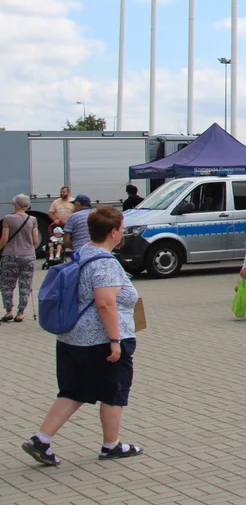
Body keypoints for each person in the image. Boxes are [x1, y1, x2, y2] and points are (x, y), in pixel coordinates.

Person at [21, 205, 142, 467]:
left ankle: (41, 439)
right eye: (122, 229)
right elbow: (105, 303)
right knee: (114, 391)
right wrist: (115, 341)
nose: (123, 233)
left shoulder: (82, 253)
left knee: (72, 391)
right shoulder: (106, 263)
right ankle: (111, 446)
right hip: (100, 341)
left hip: (71, 338)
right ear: (113, 232)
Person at [1, 194, 40, 323]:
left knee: (7, 284)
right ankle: (21, 313)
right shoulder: (32, 219)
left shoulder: (7, 218)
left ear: (14, 205)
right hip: (28, 256)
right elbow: (35, 241)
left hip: (10, 255)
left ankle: (9, 311)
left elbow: (5, 238)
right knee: (25, 284)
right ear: (27, 206)